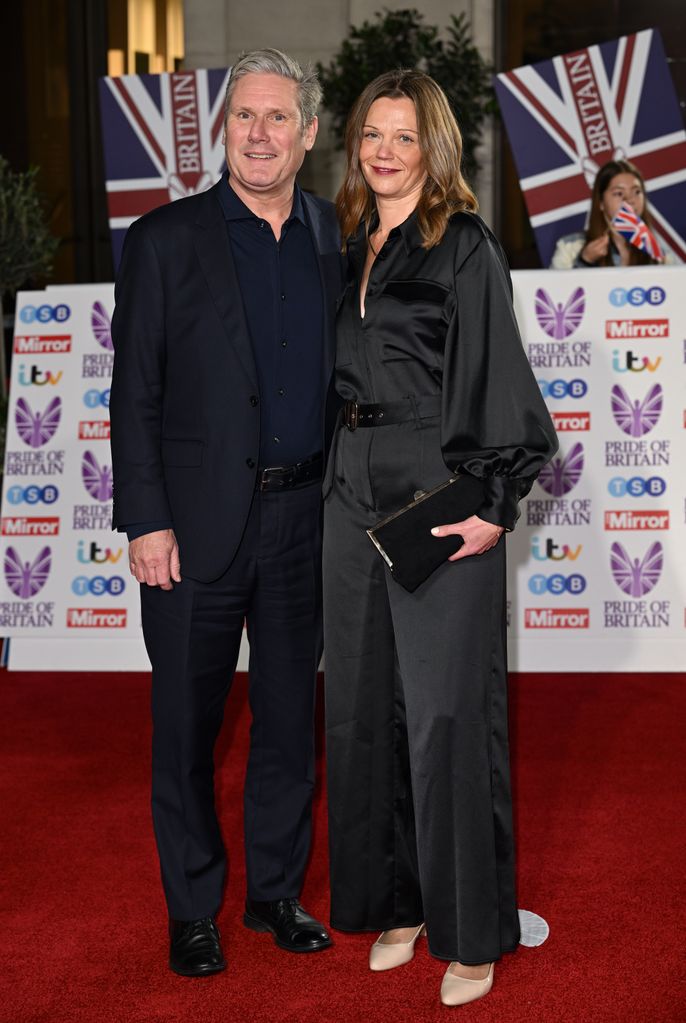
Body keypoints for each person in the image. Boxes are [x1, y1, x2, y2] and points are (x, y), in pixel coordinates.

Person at [322, 70, 558, 1008]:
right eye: (372, 135)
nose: (385, 150)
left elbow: (496, 366)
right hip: (347, 488)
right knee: (365, 705)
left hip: (437, 483)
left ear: (435, 150)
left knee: (449, 713)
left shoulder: (461, 244)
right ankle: (400, 900)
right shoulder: (347, 248)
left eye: (404, 137)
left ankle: (471, 928)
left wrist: (495, 498)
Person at [109, 48, 343, 977]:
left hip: (302, 524)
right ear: (222, 130)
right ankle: (193, 905)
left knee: (290, 720)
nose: (259, 134)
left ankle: (275, 893)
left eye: (278, 117)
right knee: (186, 726)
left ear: (309, 133)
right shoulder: (164, 240)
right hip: (193, 529)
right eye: (244, 116)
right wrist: (145, 519)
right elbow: (134, 393)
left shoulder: (335, 235)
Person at [549, 158, 673, 268]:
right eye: (619, 193)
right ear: (601, 202)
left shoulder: (659, 252)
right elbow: (556, 292)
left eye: (636, 192)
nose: (630, 200)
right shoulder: (570, 247)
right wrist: (585, 261)